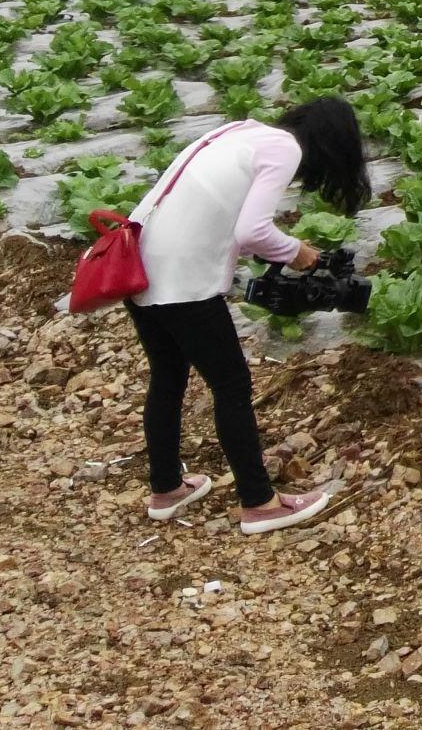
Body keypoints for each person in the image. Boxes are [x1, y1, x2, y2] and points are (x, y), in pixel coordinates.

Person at [127, 98, 368, 535]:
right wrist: (298, 253)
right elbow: (252, 230)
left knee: (167, 377)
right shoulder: (285, 148)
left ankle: (166, 489)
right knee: (232, 386)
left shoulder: (237, 133)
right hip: (184, 280)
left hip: (138, 263)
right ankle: (259, 502)